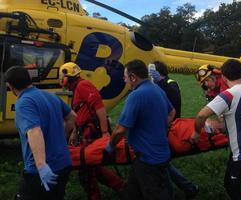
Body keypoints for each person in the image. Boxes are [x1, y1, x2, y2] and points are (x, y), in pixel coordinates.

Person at [191, 59, 241, 200]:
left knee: (240, 192)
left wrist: (197, 132)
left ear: (224, 77)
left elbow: (201, 115)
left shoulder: (228, 95)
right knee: (236, 185)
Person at [105, 59, 176, 200]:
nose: (125, 81)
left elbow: (120, 130)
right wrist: (158, 127)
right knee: (131, 192)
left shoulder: (136, 95)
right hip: (157, 154)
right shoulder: (157, 89)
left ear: (133, 77)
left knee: (155, 193)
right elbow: (172, 112)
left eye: (125, 78)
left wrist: (110, 146)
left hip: (149, 160)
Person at [5, 66, 77, 200]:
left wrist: (41, 166)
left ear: (9, 85)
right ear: (30, 79)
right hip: (64, 164)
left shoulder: (24, 103)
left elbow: (34, 131)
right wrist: (62, 135)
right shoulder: (50, 96)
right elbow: (72, 116)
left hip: (41, 171)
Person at [59, 62, 125, 200]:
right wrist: (74, 132)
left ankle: (96, 196)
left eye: (62, 76)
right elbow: (80, 112)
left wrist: (105, 132)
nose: (61, 80)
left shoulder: (83, 86)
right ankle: (121, 187)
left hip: (92, 132)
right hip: (85, 131)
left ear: (68, 77)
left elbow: (99, 107)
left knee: (86, 167)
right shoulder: (76, 88)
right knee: (93, 164)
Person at [149, 61, 199, 199]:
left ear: (159, 73)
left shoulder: (171, 83)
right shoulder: (154, 85)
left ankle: (186, 188)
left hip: (171, 127)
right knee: (159, 162)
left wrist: (160, 82)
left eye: (152, 72)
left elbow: (175, 100)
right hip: (158, 126)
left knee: (160, 162)